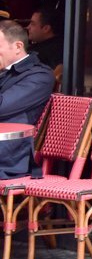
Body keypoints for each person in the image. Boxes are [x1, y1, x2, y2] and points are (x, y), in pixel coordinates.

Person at [0, 20, 55, 180]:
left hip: (10, 155)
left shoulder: (39, 76)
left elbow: (2, 107)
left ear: (17, 46)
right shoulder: (4, 70)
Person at [26, 5, 63, 70]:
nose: (28, 27)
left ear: (46, 28)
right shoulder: (60, 46)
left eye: (32, 24)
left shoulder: (40, 55)